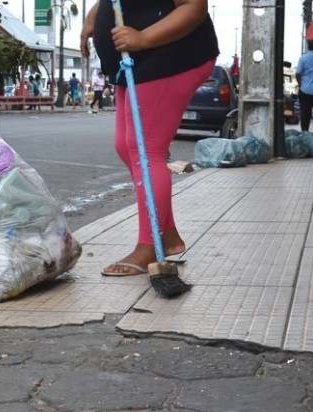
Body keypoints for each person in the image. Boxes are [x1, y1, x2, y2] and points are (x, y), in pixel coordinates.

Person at [80, 0, 218, 276]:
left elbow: (195, 6)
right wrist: (92, 20)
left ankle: (149, 245)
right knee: (126, 145)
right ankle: (166, 236)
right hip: (135, 60)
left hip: (168, 56)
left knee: (147, 150)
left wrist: (143, 38)